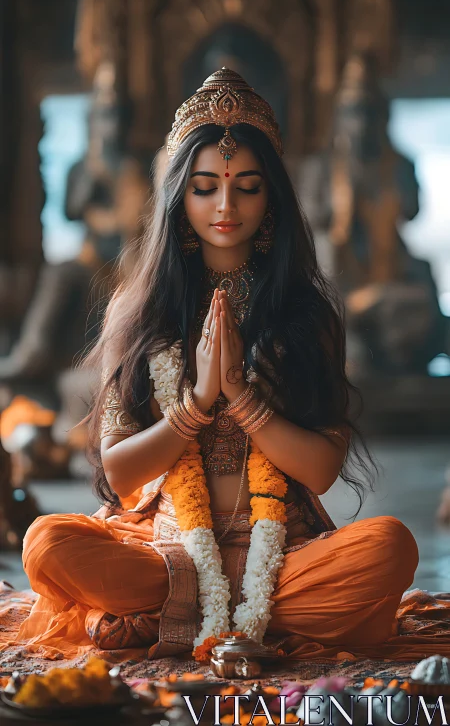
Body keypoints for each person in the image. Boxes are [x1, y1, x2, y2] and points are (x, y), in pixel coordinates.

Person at [1, 68, 449, 665]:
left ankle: (171, 617)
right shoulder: (141, 309)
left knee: (388, 547)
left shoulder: (305, 312)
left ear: (273, 197)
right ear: (179, 196)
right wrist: (195, 405)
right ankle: (215, 613)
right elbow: (120, 470)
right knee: (48, 543)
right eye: (205, 187)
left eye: (247, 187)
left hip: (283, 552)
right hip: (165, 547)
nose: (226, 206)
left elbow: (320, 471)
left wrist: (244, 398)